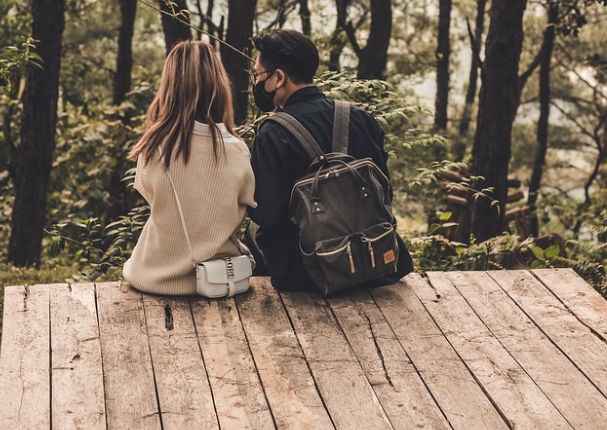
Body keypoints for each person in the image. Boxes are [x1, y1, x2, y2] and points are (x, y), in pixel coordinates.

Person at [246, 29, 413, 291]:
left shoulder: (274, 133)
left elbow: (268, 216)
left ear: (279, 77)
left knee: (255, 229)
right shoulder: (360, 117)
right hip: (377, 261)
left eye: (259, 75)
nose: (257, 84)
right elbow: (384, 192)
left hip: (308, 274)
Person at [123, 40, 255, 295]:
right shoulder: (238, 151)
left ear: (170, 85)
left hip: (152, 278)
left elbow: (154, 200)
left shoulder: (154, 146)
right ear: (218, 84)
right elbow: (247, 203)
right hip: (220, 278)